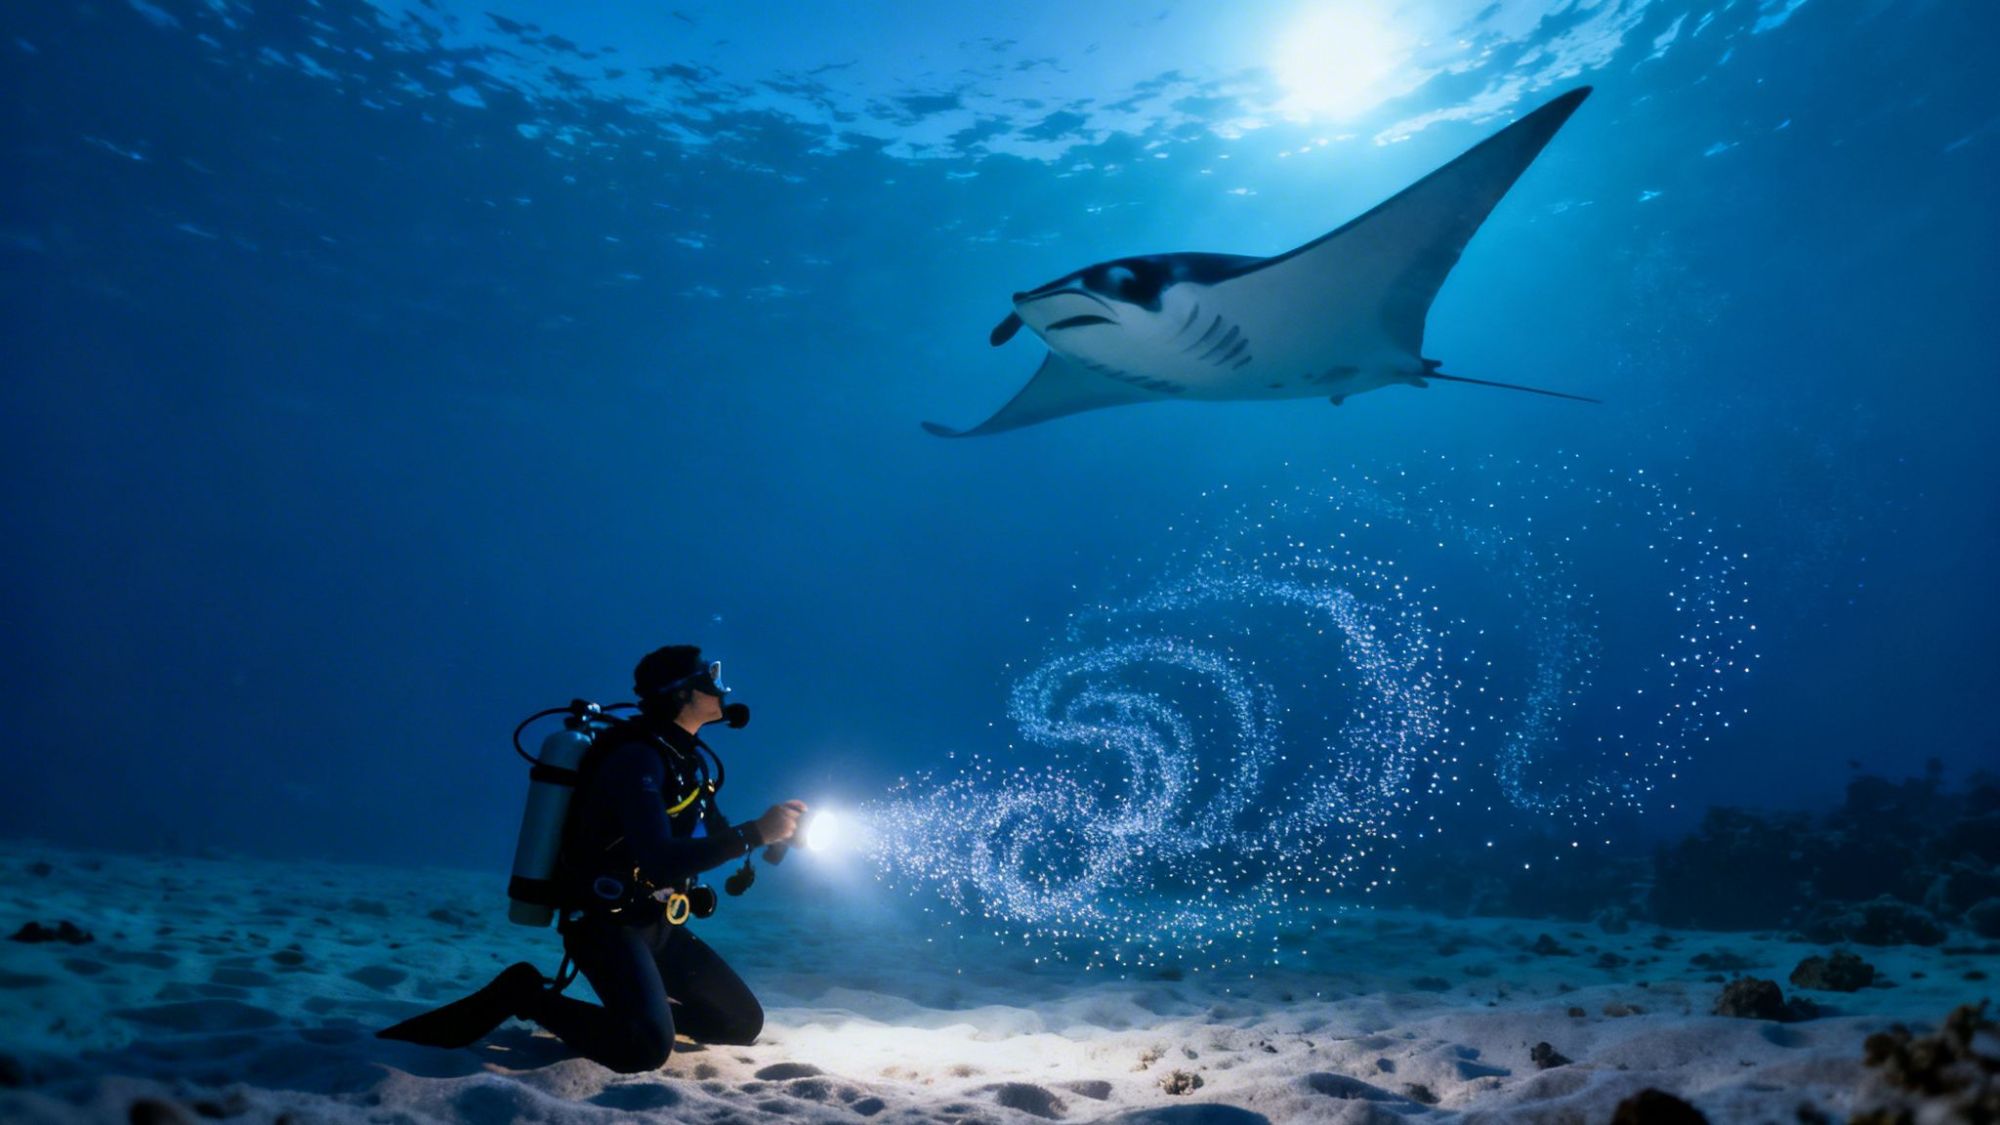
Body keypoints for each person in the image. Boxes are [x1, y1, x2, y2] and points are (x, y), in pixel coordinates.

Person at [378, 645, 807, 1072]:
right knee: (643, 1051)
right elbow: (659, 859)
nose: (721, 687)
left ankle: (639, 1018)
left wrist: (773, 836)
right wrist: (755, 831)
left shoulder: (686, 761)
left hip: (657, 922)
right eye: (709, 678)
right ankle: (525, 995)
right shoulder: (637, 758)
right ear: (681, 693)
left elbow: (712, 836)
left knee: (741, 1022)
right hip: (607, 924)